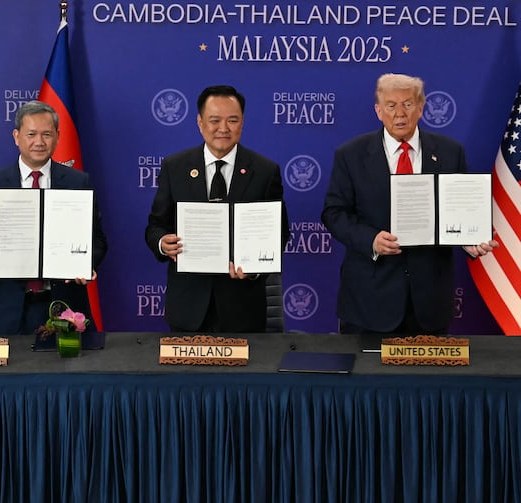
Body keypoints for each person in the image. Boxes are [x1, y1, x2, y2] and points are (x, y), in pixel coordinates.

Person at [322, 73, 498, 335]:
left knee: (426, 377)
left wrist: (469, 239)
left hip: (429, 303)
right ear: (378, 111)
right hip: (369, 301)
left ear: (421, 108)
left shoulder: (450, 153)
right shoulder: (350, 155)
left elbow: (460, 209)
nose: (400, 113)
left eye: (408, 104)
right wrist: (371, 239)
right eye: (391, 105)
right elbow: (334, 213)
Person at [145, 85, 290, 333]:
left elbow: (279, 234)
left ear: (242, 123)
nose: (223, 128)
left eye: (232, 120)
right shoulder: (175, 167)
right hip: (188, 306)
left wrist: (254, 270)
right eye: (215, 120)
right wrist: (162, 243)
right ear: (200, 123)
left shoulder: (265, 171)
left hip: (242, 307)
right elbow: (155, 226)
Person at [0, 100, 107, 335]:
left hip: (64, 306)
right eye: (31, 134)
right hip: (3, 309)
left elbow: (97, 241)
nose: (39, 142)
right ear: (16, 136)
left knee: (70, 370)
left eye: (47, 134)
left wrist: (86, 264)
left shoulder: (78, 182)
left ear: (58, 137)